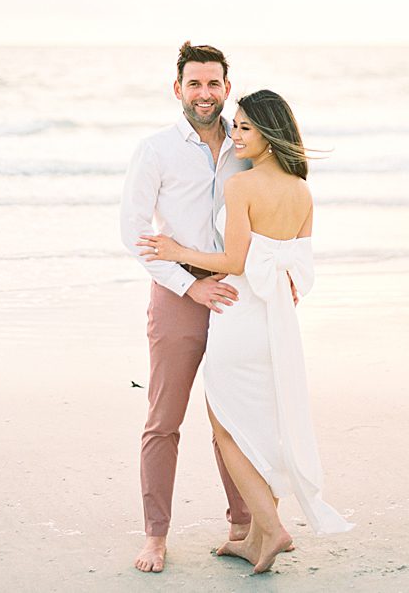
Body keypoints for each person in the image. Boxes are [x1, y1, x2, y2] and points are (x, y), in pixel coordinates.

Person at [140, 89, 352, 573]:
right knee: (261, 425)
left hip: (236, 313)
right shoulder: (302, 190)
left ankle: (271, 527)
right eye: (234, 126)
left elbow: (234, 261)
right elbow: (300, 268)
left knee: (227, 424)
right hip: (275, 321)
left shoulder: (241, 187)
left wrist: (177, 252)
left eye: (245, 128)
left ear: (269, 134)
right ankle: (255, 535)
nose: (235, 135)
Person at [119, 41, 253, 573]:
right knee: (164, 420)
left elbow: (270, 215)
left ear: (227, 87)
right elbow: (134, 234)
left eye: (213, 83)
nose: (205, 93)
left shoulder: (246, 146)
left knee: (235, 418)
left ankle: (243, 525)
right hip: (177, 294)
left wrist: (281, 274)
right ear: (177, 89)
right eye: (194, 83)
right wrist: (187, 285)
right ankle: (155, 536)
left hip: (237, 295)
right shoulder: (155, 150)